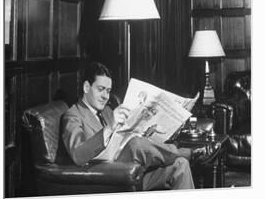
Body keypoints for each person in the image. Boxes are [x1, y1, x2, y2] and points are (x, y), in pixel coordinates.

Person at [61, 62, 220, 191]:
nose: (105, 96)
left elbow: (127, 136)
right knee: (136, 143)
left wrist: (148, 130)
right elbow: (78, 154)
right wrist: (110, 127)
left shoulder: (107, 111)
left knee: (180, 166)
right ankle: (190, 154)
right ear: (86, 87)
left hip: (132, 170)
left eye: (108, 91)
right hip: (105, 174)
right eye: (101, 89)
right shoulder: (73, 115)